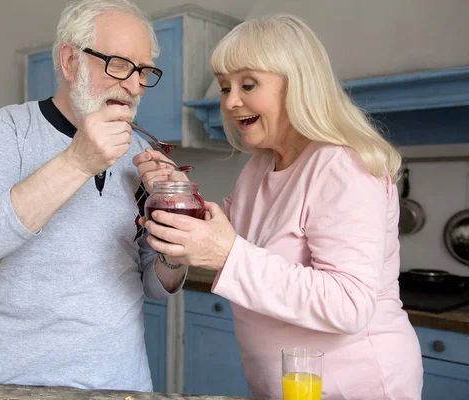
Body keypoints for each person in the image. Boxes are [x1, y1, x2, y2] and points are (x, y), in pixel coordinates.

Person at [136, 14, 423, 400]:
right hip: (288, 386)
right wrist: (178, 196)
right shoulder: (258, 169)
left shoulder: (342, 166)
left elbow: (349, 305)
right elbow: (227, 238)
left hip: (356, 386)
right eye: (224, 87)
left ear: (298, 84)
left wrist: (226, 255)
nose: (231, 100)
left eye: (248, 84)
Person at [0, 0, 188, 391]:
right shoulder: (9, 129)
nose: (133, 85)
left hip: (124, 383)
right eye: (119, 64)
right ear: (70, 61)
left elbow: (151, 283)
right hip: (20, 385)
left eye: (143, 71)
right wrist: (78, 161)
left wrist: (175, 249)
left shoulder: (141, 153)